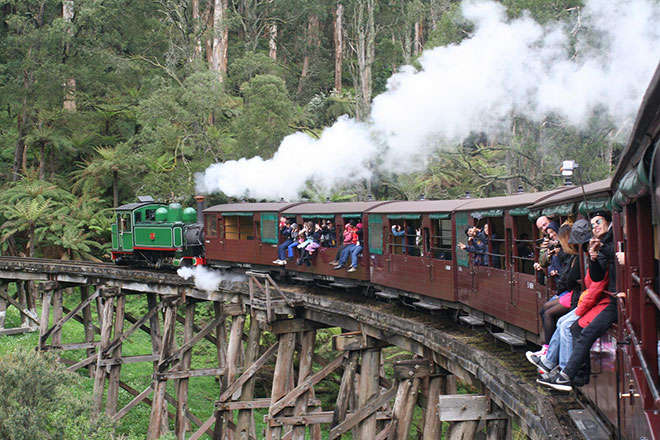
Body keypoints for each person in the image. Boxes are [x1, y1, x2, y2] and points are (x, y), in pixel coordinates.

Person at [539, 212, 621, 391]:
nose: (596, 226)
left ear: (609, 222)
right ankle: (565, 371)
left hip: (613, 300)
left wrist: (601, 251)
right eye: (592, 225)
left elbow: (612, 263)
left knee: (573, 327)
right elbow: (598, 276)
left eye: (598, 222)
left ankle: (567, 373)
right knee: (572, 326)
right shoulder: (601, 245)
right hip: (607, 299)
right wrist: (593, 258)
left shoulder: (615, 241)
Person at [526, 219, 592, 375]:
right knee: (554, 316)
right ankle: (549, 359)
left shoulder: (577, 256)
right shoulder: (573, 255)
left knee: (562, 322)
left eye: (552, 233)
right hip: (576, 294)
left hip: (578, 295)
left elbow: (570, 278)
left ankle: (562, 368)